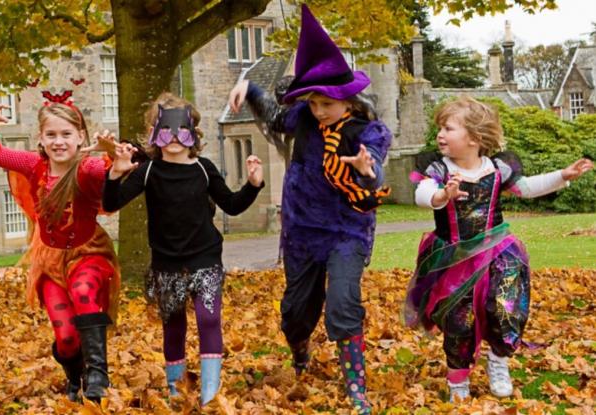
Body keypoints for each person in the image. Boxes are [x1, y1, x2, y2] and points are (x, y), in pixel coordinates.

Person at [227, 5, 393, 413]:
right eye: (313, 103)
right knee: (296, 313)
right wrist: (248, 88)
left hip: (346, 230)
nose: (318, 111)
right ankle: (300, 349)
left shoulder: (367, 129)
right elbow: (275, 114)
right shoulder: (302, 117)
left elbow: (374, 163)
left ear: (347, 100)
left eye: (326, 104)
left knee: (342, 303)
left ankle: (356, 386)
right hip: (301, 229)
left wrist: (365, 167)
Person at [404, 96, 593, 402]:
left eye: (448, 128)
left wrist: (562, 176)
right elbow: (422, 195)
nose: (440, 134)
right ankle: (458, 382)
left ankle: (498, 360)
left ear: (474, 138)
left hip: (498, 253)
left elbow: (528, 187)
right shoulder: (438, 170)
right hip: (454, 257)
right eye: (439, 127)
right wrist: (443, 195)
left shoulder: (497, 169)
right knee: (458, 320)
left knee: (505, 307)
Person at [102, 92, 264, 405]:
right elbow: (111, 203)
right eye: (165, 131)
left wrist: (253, 185)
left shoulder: (203, 168)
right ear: (153, 134)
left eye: (181, 131)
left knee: (208, 320)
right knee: (174, 325)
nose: (174, 138)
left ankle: (209, 393)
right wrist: (115, 174)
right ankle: (176, 391)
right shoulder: (148, 171)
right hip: (167, 264)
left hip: (205, 259)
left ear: (193, 133)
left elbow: (231, 205)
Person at [0, 92, 119, 403]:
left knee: (83, 292)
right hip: (50, 260)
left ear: (80, 137)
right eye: (51, 135)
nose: (59, 142)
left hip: (88, 253)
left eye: (66, 134)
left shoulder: (88, 167)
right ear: (41, 137)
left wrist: (112, 157)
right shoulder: (34, 165)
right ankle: (75, 374)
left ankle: (98, 374)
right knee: (66, 339)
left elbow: (107, 177)